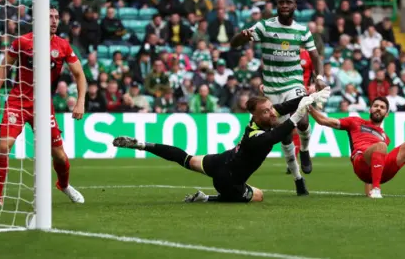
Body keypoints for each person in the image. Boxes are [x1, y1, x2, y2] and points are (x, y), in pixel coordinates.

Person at [112, 87, 332, 203]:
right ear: (255, 116)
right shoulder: (257, 137)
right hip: (229, 180)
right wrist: (298, 115)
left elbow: (284, 107)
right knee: (259, 195)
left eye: (270, 109)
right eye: (266, 111)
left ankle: (142, 144)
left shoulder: (258, 121)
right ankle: (207, 199)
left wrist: (311, 96)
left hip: (220, 161)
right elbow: (275, 136)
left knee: (186, 159)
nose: (271, 112)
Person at [0, 6, 87, 208]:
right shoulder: (23, 41)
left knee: (59, 154)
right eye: (49, 17)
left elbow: (79, 74)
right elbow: (4, 66)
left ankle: (64, 185)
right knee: (4, 146)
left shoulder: (63, 45)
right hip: (18, 101)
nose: (54, 21)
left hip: (43, 105)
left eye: (57, 17)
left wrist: (81, 100)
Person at [230, 0, 326, 193]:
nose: (284, 5)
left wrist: (319, 77)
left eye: (288, 2)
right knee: (284, 136)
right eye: (281, 2)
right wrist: (242, 36)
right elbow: (234, 44)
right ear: (277, 5)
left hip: (293, 83)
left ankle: (306, 150)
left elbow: (315, 56)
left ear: (294, 6)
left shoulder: (302, 30)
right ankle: (298, 179)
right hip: (272, 89)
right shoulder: (264, 26)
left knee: (302, 118)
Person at [309, 97, 405, 198]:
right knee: (380, 147)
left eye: (382, 107)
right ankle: (376, 190)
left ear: (386, 114)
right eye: (376, 106)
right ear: (370, 109)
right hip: (360, 162)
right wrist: (308, 107)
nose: (378, 109)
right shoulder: (355, 122)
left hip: (381, 170)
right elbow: (323, 120)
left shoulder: (385, 136)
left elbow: (376, 163)